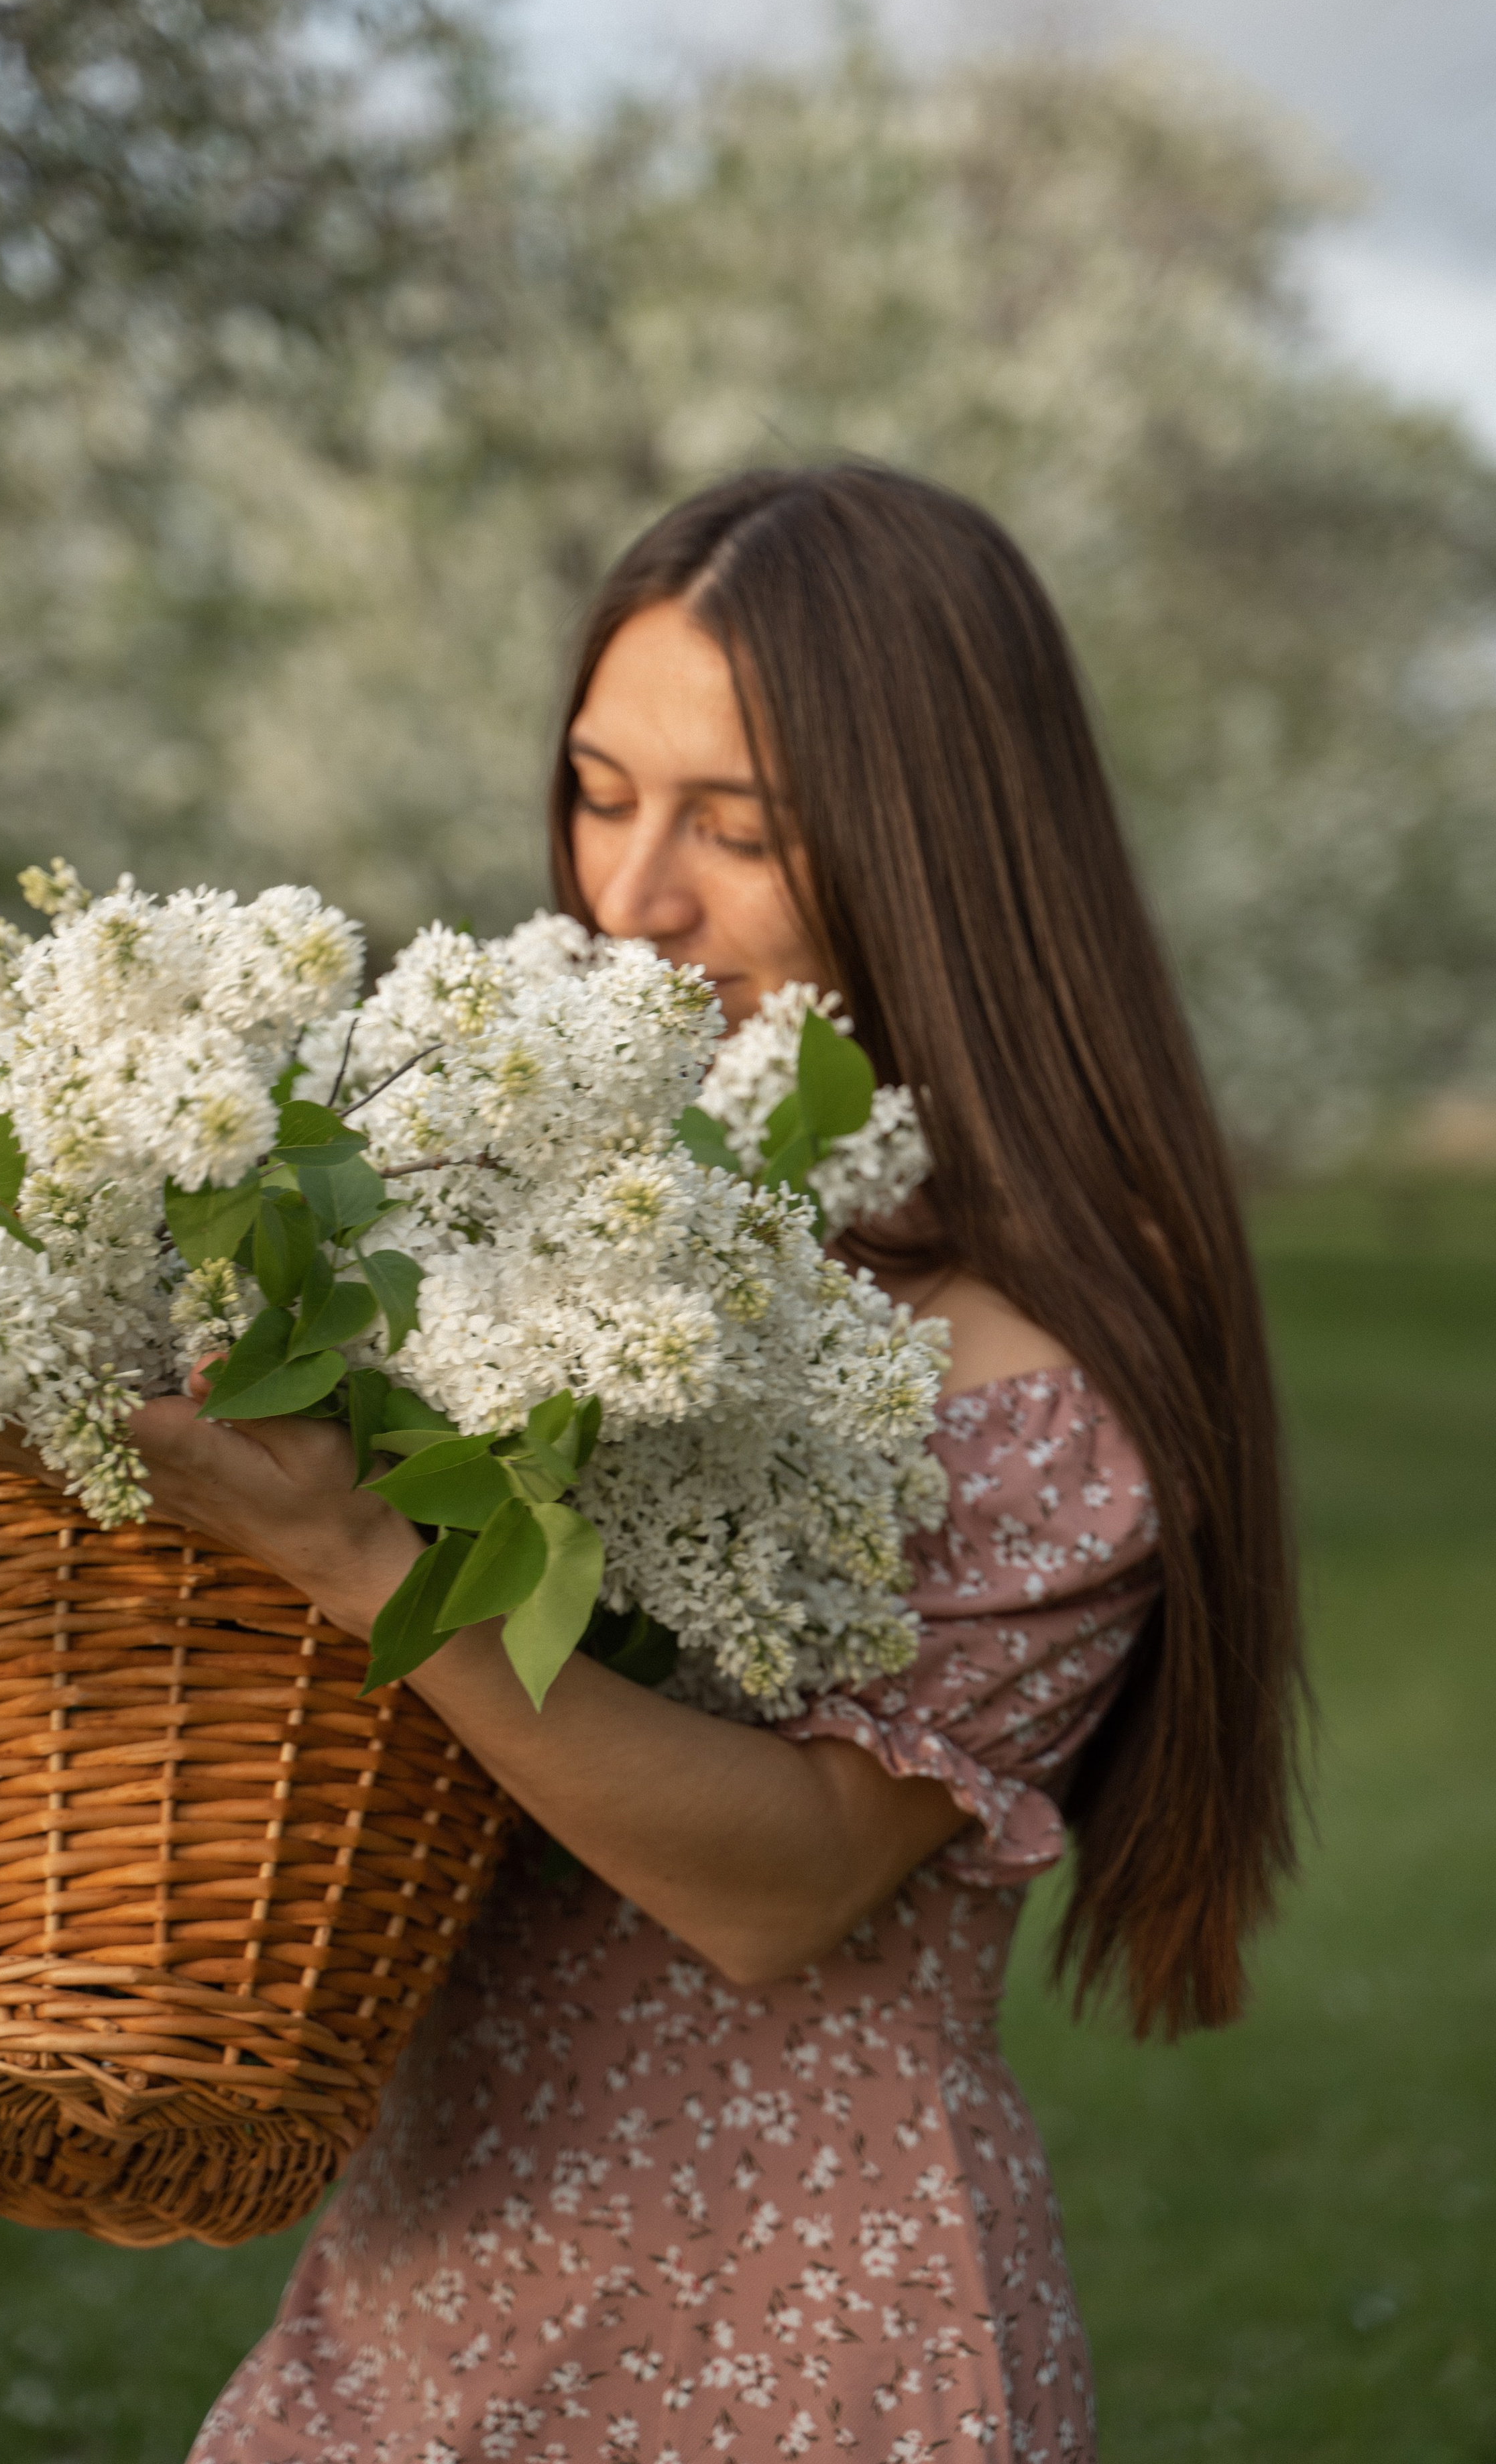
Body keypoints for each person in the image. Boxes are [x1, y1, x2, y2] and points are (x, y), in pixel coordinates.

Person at [121, 466, 1306, 2461]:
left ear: (932, 843)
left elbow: (792, 1885)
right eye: (601, 792)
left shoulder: (1057, 1354)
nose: (630, 898)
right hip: (421, 2286)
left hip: (800, 2331)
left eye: (734, 830)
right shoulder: (555, 1198)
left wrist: (346, 1551)